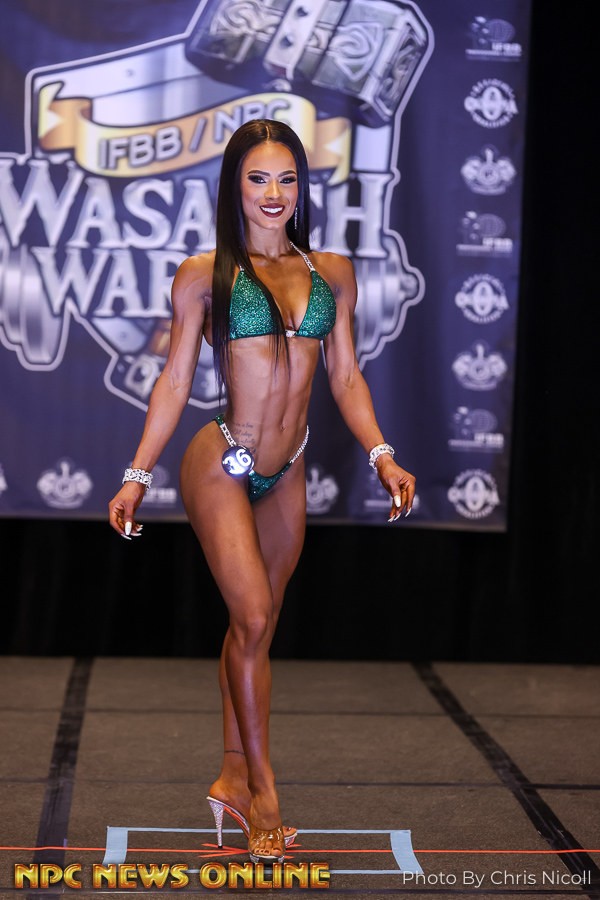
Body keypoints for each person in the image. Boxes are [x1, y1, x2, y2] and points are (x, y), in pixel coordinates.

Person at [108, 118, 416, 863]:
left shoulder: (332, 271)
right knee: (249, 614)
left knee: (258, 627)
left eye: (287, 178)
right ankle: (265, 794)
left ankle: (230, 777)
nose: (273, 193)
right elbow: (175, 381)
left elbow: (345, 376)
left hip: (288, 468)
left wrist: (382, 455)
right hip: (223, 459)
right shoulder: (205, 273)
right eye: (257, 179)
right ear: (234, 188)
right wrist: (137, 473)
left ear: (302, 187)